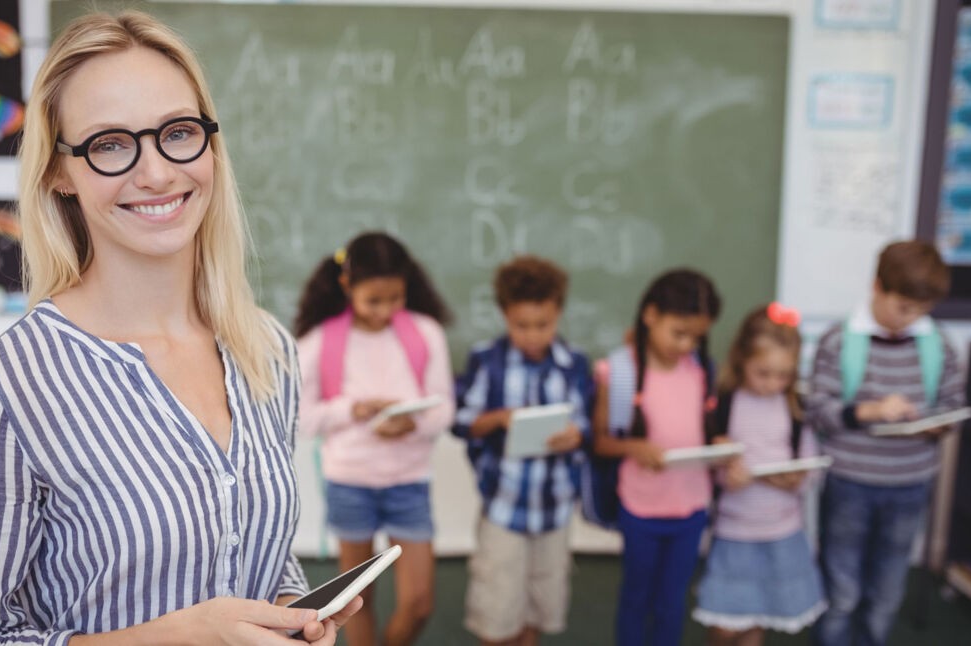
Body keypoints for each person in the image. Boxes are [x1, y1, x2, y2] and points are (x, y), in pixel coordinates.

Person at [0, 10, 360, 645]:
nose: (156, 173)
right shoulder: (3, 388)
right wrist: (176, 636)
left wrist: (289, 608)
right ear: (59, 173)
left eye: (177, 132)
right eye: (109, 144)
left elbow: (254, 549)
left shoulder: (267, 350)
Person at [294, 231, 455, 646]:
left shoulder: (426, 333)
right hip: (350, 483)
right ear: (346, 285)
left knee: (419, 602)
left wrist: (411, 424)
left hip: (409, 481)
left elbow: (444, 409)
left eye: (395, 298)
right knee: (356, 600)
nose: (385, 311)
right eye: (373, 300)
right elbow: (303, 419)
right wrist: (354, 410)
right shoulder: (319, 341)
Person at [808, 240, 964, 646]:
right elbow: (818, 411)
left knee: (888, 590)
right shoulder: (839, 341)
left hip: (911, 483)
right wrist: (871, 411)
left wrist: (933, 425)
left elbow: (952, 404)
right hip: (850, 482)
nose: (910, 319)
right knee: (841, 588)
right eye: (903, 307)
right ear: (877, 287)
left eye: (922, 310)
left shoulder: (939, 344)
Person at [452, 255, 594, 646]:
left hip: (555, 510)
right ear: (505, 315)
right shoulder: (487, 360)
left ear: (558, 313)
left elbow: (585, 425)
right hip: (503, 507)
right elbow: (462, 422)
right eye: (521, 326)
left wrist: (575, 436)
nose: (532, 335)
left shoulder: (574, 363)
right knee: (497, 617)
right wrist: (499, 418)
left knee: (537, 610)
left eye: (543, 325)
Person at [592, 268, 723, 646]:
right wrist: (634, 447)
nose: (686, 345)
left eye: (696, 337)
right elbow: (599, 443)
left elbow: (706, 429)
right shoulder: (619, 372)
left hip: (691, 508)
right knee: (637, 597)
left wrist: (721, 445)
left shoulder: (701, 370)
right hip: (641, 509)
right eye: (678, 333)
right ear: (650, 315)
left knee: (672, 600)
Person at [692, 304, 826, 645]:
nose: (772, 384)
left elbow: (809, 464)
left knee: (758, 617)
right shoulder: (725, 403)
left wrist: (797, 479)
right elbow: (706, 466)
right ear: (742, 360)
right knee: (725, 624)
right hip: (734, 531)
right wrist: (725, 471)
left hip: (782, 530)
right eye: (763, 373)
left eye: (783, 376)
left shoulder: (794, 407)